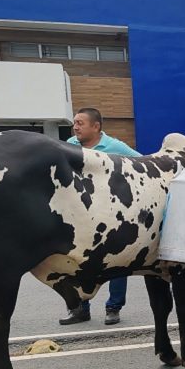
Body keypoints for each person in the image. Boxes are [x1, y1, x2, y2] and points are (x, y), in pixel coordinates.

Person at [59, 108, 140, 325]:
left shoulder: (115, 147)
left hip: (111, 216)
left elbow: (141, 163)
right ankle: (79, 308)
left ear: (96, 126)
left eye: (80, 123)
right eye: (74, 123)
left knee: (117, 261)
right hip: (78, 217)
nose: (75, 127)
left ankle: (114, 307)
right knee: (76, 262)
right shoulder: (69, 145)